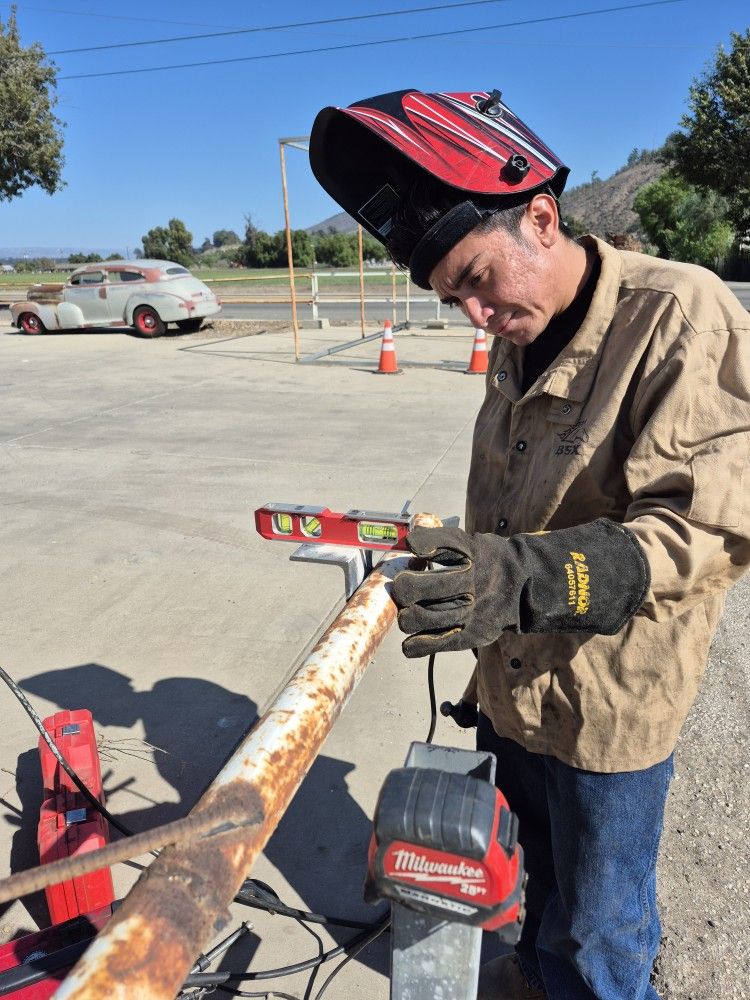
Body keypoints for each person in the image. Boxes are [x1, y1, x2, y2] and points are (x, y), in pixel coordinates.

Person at [309, 89, 750, 999]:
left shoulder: (680, 315)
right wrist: (468, 568)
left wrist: (520, 576)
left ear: (540, 218)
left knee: (599, 932)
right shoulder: (522, 330)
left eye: (475, 280)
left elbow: (706, 528)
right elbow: (514, 506)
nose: (472, 316)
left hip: (607, 709)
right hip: (514, 686)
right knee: (537, 890)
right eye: (449, 297)